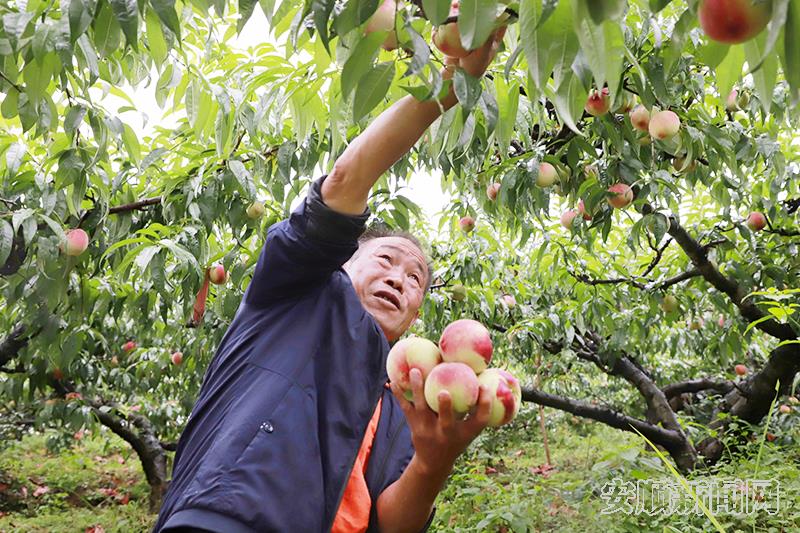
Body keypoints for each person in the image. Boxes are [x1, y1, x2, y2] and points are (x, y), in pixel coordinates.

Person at [153, 27, 506, 533]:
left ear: (416, 315)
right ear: (342, 265)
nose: (400, 279)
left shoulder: (408, 395)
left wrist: (435, 460)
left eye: (415, 279)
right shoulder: (295, 295)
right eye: (385, 260)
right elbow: (344, 182)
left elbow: (391, 524)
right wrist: (449, 84)